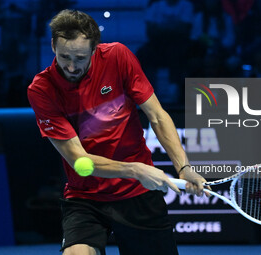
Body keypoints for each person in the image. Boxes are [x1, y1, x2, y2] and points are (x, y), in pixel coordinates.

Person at [27, 9, 207, 255]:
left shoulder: (118, 57)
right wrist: (135, 169)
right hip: (86, 196)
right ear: (52, 46)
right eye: (63, 56)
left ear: (94, 48)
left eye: (79, 58)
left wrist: (184, 167)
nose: (70, 66)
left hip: (138, 194)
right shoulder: (42, 89)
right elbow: (80, 161)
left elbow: (157, 115)